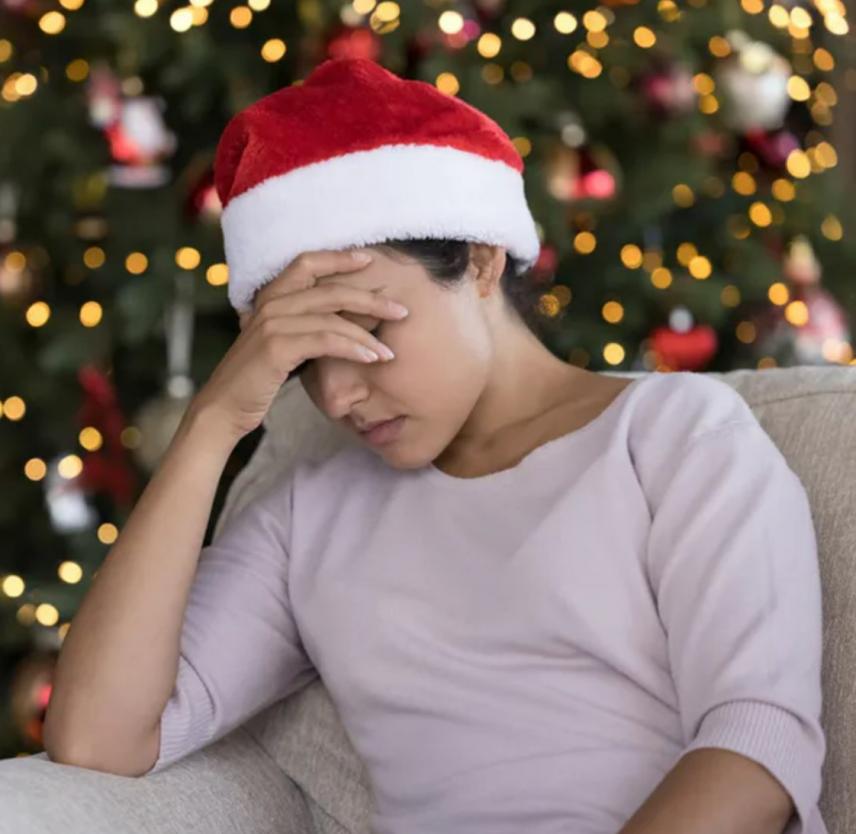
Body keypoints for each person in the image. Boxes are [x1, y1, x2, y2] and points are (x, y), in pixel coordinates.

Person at [43, 58, 827, 834]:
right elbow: (97, 739)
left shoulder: (676, 436)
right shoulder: (307, 514)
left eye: (368, 328)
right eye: (306, 358)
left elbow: (755, 748)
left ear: (481, 262)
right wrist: (211, 423)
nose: (338, 395)